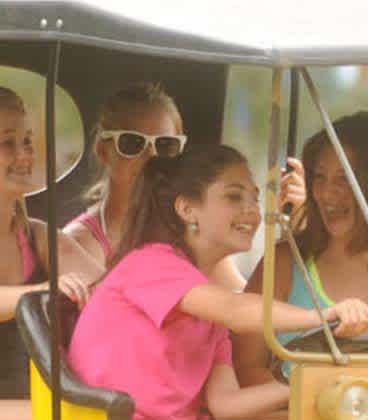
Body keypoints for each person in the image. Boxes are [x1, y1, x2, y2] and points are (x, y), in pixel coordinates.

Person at [66, 144, 368, 420]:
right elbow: (236, 309)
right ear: (187, 209)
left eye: (254, 199)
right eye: (234, 197)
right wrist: (324, 315)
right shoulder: (150, 263)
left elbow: (226, 403)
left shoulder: (205, 306)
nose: (252, 212)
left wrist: (312, 378)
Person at [235, 112, 368, 387]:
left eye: (344, 178)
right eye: (320, 177)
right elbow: (245, 371)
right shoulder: (283, 262)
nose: (325, 193)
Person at [62, 82, 304, 289]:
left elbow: (243, 302)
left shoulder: (191, 227)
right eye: (132, 143)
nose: (151, 156)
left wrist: (298, 230)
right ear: (103, 150)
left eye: (165, 145)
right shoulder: (79, 241)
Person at [0, 87, 101, 420]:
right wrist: (42, 291)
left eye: (26, 141)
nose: (24, 154)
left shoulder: (37, 236)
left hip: (25, 402)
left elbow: (111, 288)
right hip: (30, 411)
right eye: (7, 143)